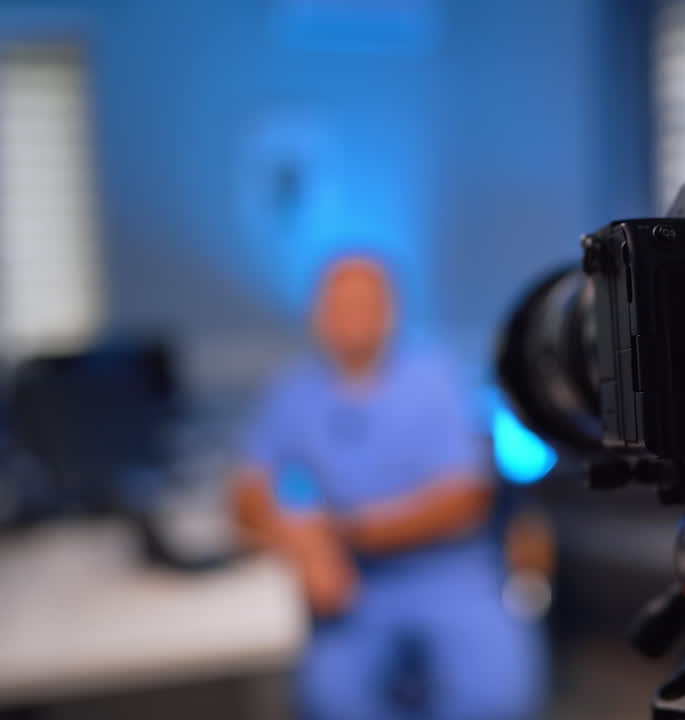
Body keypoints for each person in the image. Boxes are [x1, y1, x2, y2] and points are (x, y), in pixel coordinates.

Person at [231, 254, 545, 720]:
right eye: (339, 304)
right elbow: (247, 494)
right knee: (332, 700)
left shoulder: (435, 377)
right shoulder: (293, 392)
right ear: (317, 314)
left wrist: (343, 533)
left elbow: (465, 500)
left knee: (497, 698)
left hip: (452, 575)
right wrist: (303, 544)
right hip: (358, 585)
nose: (351, 317)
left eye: (365, 303)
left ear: (391, 311)